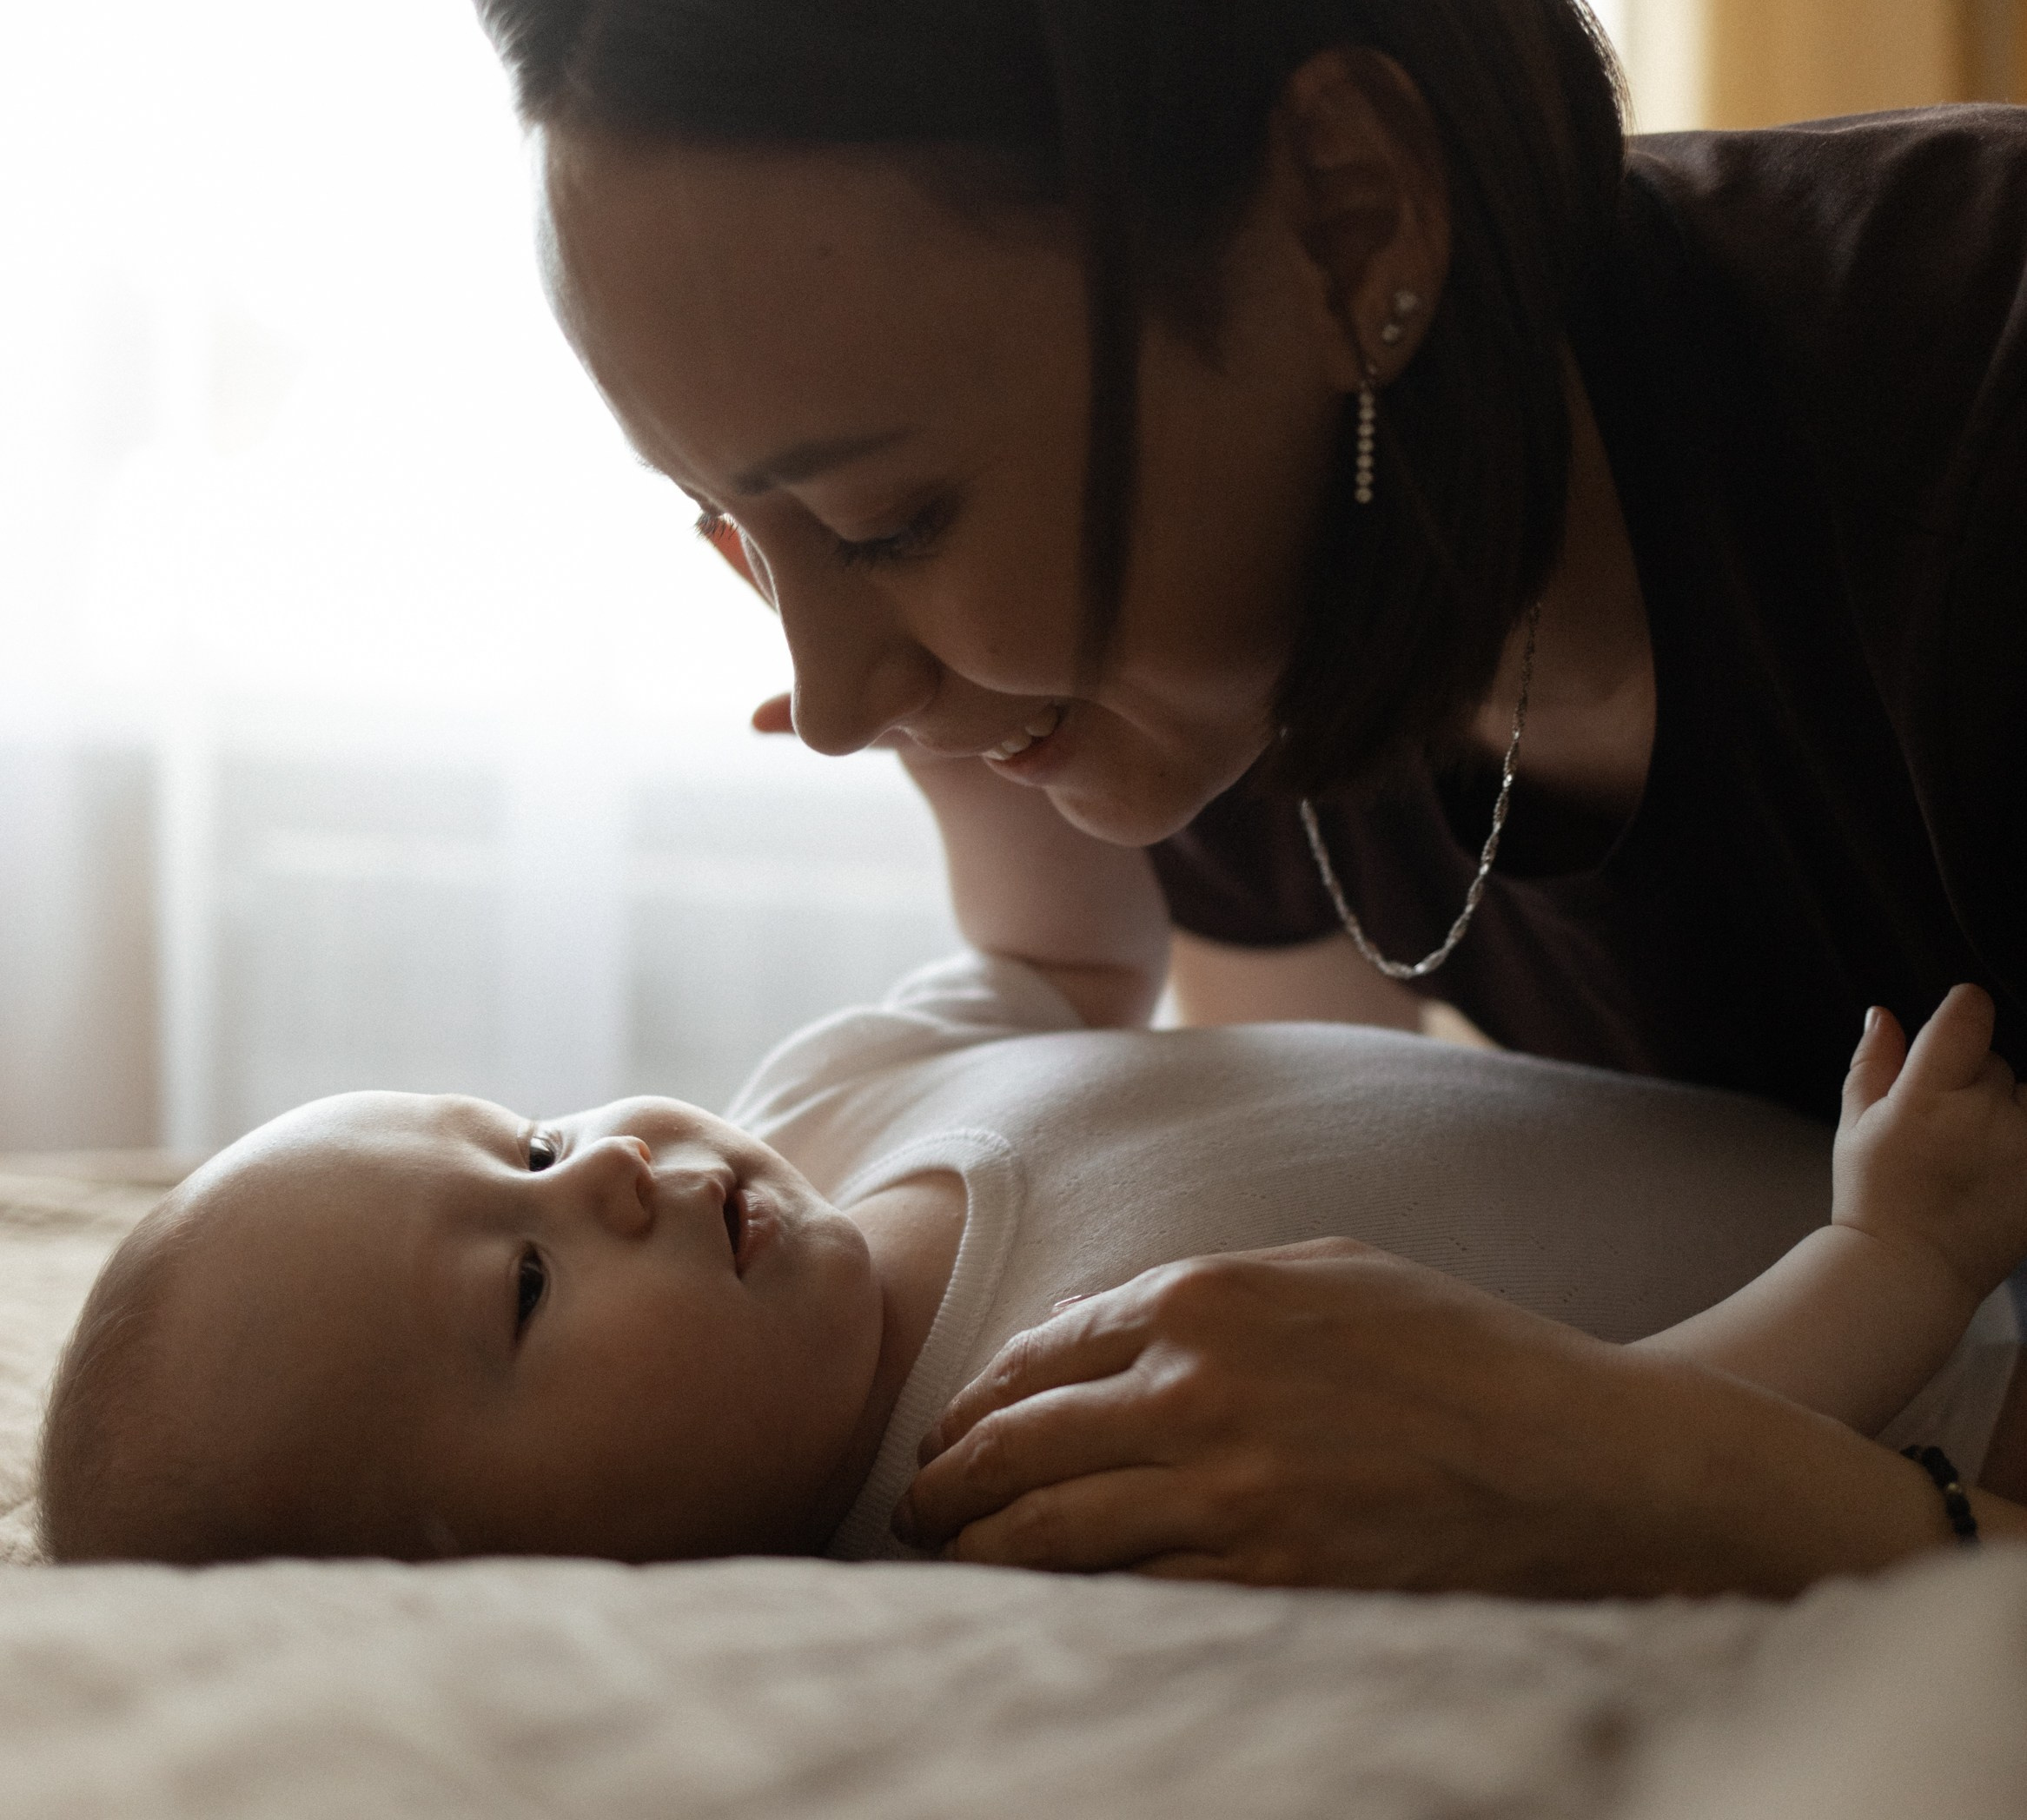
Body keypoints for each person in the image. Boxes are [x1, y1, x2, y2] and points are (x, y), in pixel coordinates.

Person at [461, 0, 2026, 1588]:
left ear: (1347, 220)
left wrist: (1675, 1473)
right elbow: (1314, 1173)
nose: (833, 709)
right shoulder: (1266, 630)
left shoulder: (1973, 455)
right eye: (748, 539)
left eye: (898, 517)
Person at [33, 726, 2027, 1577]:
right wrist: (1896, 1273)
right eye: (527, 1282)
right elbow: (1579, 1464)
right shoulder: (1036, 1478)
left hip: (1875, 1134)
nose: (607, 1176)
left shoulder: (822, 1105)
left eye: (532, 1139)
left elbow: (1062, 952)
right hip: (1941, 1373)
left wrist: (959, 737)